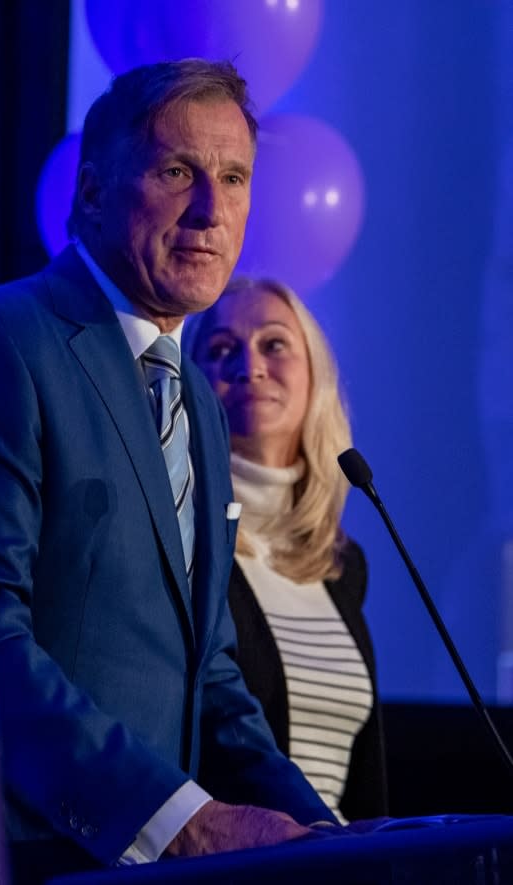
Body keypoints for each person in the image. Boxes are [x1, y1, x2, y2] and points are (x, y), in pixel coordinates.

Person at [0, 60, 337, 882]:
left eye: (234, 178)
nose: (210, 211)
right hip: (30, 855)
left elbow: (212, 673)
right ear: (91, 192)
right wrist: (182, 823)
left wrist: (333, 839)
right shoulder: (0, 340)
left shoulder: (195, 393)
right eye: (176, 172)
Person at [186, 276, 388, 822]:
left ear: (315, 377)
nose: (249, 366)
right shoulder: (183, 540)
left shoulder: (343, 566)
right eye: (221, 349)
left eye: (274, 344)